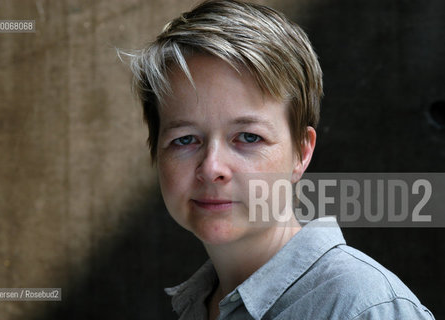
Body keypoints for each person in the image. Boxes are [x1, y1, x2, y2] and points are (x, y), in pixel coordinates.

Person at [123, 0, 435, 319]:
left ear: (301, 152)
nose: (212, 167)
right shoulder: (198, 305)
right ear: (156, 152)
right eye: (185, 139)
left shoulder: (361, 308)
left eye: (248, 137)